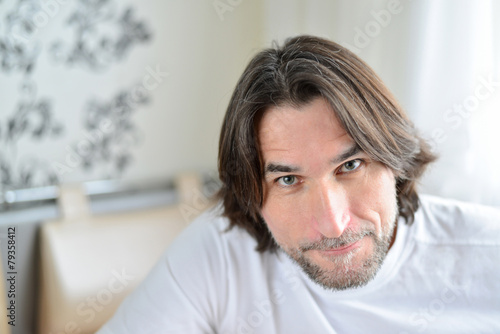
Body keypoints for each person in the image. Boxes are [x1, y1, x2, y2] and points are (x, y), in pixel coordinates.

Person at [97, 35, 500, 334]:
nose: (332, 225)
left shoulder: (487, 256)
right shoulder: (218, 256)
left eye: (351, 165)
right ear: (250, 193)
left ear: (393, 159)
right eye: (288, 179)